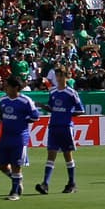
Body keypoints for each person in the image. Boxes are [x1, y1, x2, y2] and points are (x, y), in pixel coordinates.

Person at [36, 66, 83, 194]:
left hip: (66, 127)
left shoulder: (71, 93)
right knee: (51, 154)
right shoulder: (53, 92)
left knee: (68, 155)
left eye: (61, 75)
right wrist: (42, 106)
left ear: (66, 77)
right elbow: (52, 108)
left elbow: (81, 110)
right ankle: (45, 184)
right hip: (54, 126)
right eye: (57, 76)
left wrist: (68, 114)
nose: (59, 78)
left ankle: (72, 183)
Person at [0, 76, 41, 199]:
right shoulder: (3, 99)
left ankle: (15, 191)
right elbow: (1, 113)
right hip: (5, 136)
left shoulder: (26, 101)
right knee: (1, 164)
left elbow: (35, 116)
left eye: (7, 85)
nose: (5, 87)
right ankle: (17, 181)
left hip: (19, 137)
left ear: (15, 87)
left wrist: (22, 120)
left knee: (16, 165)